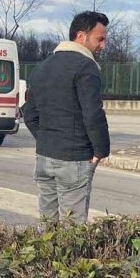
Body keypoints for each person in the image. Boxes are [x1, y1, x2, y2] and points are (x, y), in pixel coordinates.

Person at [23, 11, 110, 224]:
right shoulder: (85, 67)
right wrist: (100, 150)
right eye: (100, 39)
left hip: (44, 157)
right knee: (72, 232)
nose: (103, 46)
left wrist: (48, 139)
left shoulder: (42, 67)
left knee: (47, 228)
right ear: (81, 36)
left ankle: (43, 259)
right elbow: (93, 114)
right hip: (74, 159)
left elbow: (30, 115)